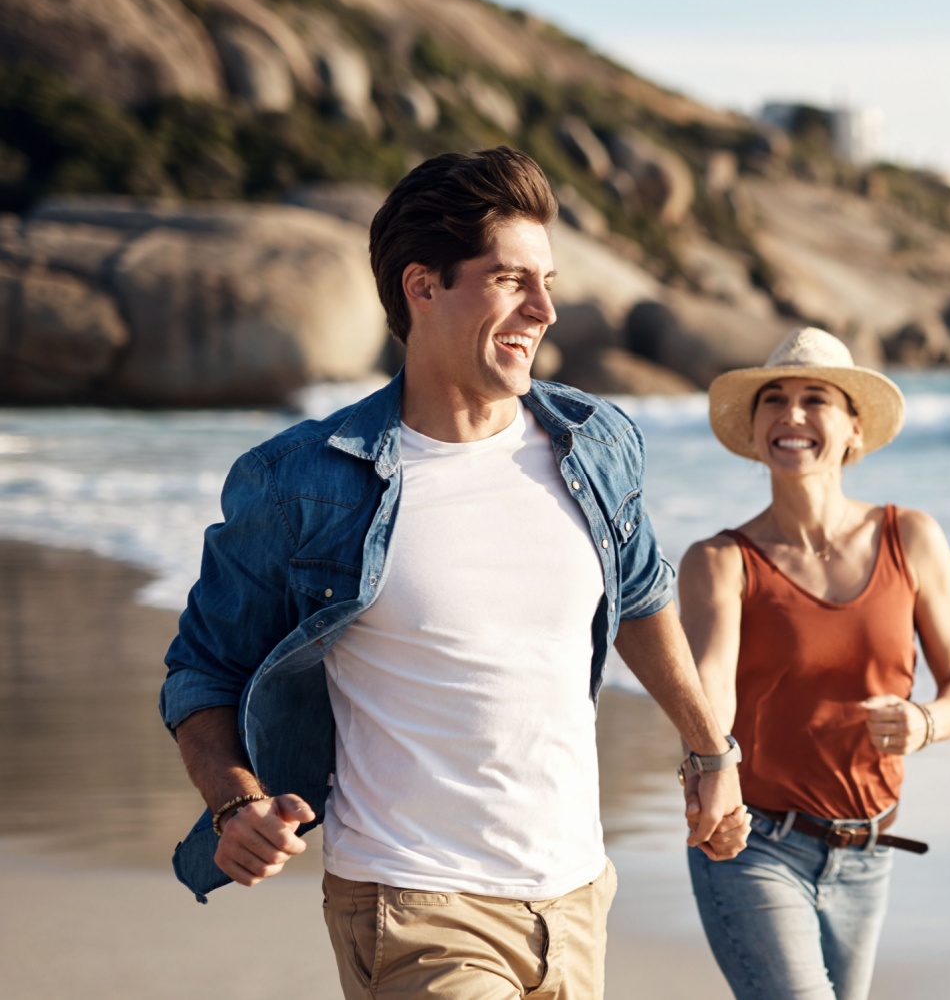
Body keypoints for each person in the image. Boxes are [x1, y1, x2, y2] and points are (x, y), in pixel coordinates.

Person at [159, 145, 749, 1000]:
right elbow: (203, 671)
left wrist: (708, 750)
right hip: (412, 900)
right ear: (422, 284)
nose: (544, 309)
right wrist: (234, 800)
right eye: (511, 280)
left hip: (575, 896)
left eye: (546, 280)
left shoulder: (595, 442)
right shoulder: (302, 479)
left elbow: (641, 593)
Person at [679, 327, 950, 1000]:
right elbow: (711, 689)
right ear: (756, 430)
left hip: (868, 853)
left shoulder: (911, 537)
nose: (790, 416)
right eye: (774, 400)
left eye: (814, 398)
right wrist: (708, 766)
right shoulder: (721, 562)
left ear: (853, 430)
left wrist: (924, 722)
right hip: (753, 844)